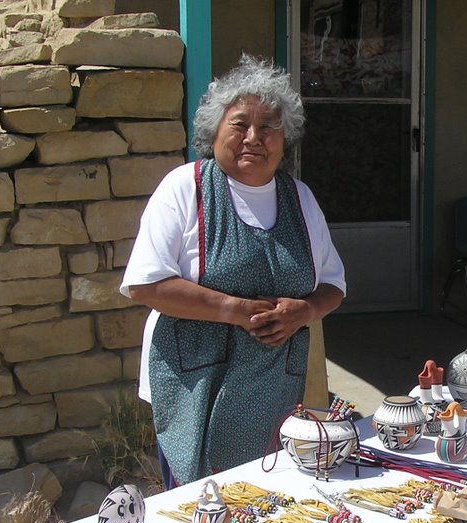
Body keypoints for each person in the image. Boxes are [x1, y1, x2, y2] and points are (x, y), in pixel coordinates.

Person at [121, 54, 346, 489]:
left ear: (285, 139)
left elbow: (334, 283)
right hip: (194, 383)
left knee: (264, 496)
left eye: (268, 127)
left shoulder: (299, 198)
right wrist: (236, 309)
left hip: (273, 384)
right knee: (198, 506)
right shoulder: (186, 187)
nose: (254, 138)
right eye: (240, 124)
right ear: (215, 130)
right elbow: (147, 284)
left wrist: (304, 312)